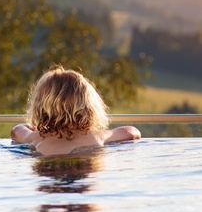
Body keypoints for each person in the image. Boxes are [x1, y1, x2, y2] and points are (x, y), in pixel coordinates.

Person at [11, 66, 140, 156]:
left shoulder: (37, 137)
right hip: (84, 169)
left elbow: (16, 131)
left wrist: (33, 128)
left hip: (48, 171)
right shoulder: (98, 136)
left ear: (40, 108)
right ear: (89, 107)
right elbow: (132, 132)